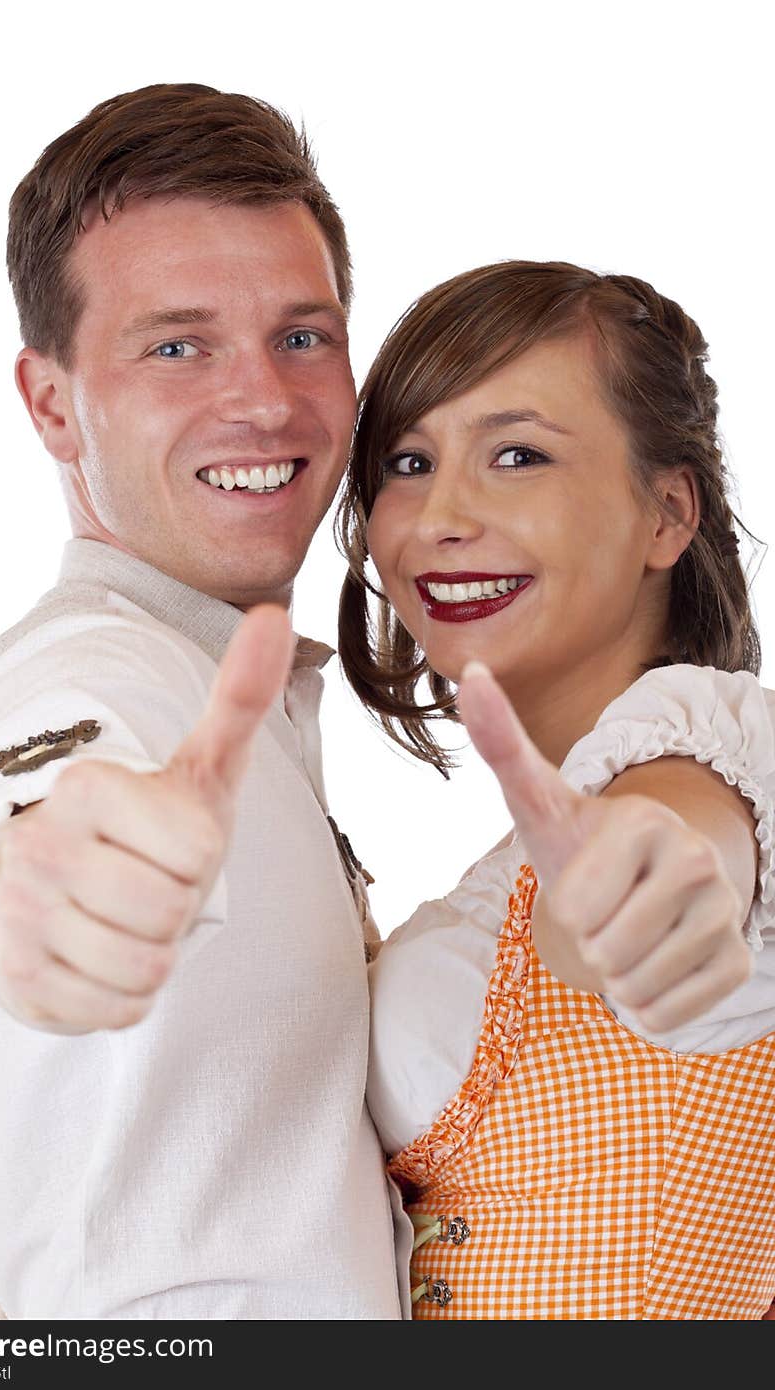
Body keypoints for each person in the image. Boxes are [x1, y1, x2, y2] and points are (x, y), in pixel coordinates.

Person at [0, 82, 409, 1321]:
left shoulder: (238, 687)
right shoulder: (92, 680)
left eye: (303, 335)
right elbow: (54, 810)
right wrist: (68, 890)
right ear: (50, 404)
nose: (263, 400)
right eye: (176, 345)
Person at [337, 260, 775, 1320]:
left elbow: (678, 842)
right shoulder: (501, 871)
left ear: (667, 515)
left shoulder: (716, 761)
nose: (439, 515)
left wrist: (651, 892)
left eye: (516, 455)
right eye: (408, 460)